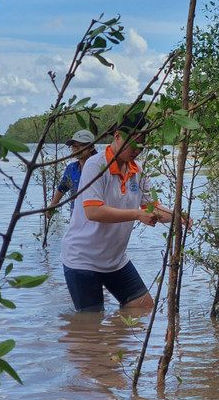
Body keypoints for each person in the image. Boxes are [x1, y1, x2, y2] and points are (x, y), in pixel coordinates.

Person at [60, 113, 179, 312]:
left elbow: (152, 209)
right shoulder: (96, 165)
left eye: (141, 146)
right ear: (117, 136)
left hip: (115, 260)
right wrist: (137, 214)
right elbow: (93, 212)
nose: (137, 151)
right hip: (82, 259)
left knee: (143, 308)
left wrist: (177, 217)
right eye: (133, 144)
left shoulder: (138, 171)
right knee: (90, 323)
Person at [48, 130, 97, 217]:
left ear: (91, 147)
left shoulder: (100, 167)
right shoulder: (72, 168)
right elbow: (62, 189)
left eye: (81, 145)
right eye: (74, 146)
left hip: (96, 214)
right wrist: (52, 206)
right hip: (76, 215)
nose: (76, 149)